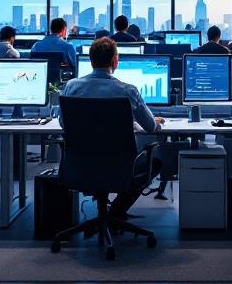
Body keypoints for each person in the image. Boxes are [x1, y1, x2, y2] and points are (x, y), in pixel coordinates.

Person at [61, 37, 164, 220]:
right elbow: (150, 127)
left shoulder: (71, 87)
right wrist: (155, 122)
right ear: (115, 61)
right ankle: (115, 213)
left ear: (91, 60)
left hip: (79, 165)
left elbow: (64, 123)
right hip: (120, 168)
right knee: (155, 162)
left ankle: (109, 216)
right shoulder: (128, 91)